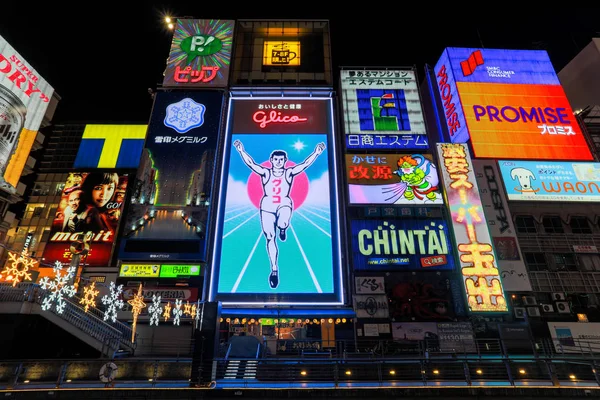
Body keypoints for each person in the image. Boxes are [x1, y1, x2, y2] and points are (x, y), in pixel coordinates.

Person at [233, 139, 325, 289]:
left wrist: (316, 153)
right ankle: (274, 270)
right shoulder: (265, 172)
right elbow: (251, 164)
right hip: (267, 206)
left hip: (284, 203)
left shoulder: (289, 172)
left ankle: (283, 228)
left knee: (283, 223)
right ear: (271, 160)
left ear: (285, 161)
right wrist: (241, 150)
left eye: (281, 159)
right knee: (270, 237)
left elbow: (304, 165)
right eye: (276, 159)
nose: (278, 162)